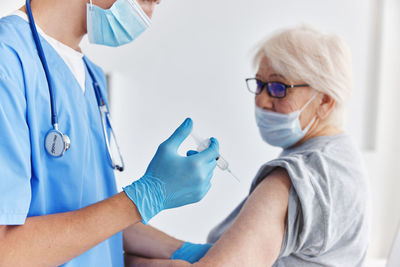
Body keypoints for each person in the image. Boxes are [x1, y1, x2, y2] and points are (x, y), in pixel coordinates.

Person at [122, 25, 370, 266]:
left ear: (325, 101)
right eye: (259, 85)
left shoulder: (301, 175)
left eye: (278, 88)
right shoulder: (342, 156)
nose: (261, 100)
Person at [0, 0, 220, 266]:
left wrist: (179, 251)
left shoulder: (91, 76)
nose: (154, 8)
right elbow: (5, 251)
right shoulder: (8, 58)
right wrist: (143, 198)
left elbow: (90, 216)